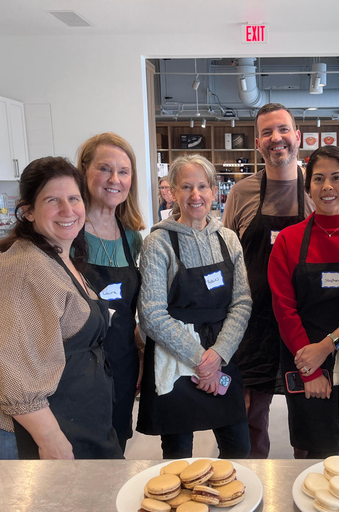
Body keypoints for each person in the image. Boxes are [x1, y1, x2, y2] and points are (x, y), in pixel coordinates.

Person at [0, 156, 122, 460]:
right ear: (29, 212)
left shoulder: (58, 256)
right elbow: (9, 365)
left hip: (73, 419)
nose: (68, 210)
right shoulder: (22, 268)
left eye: (74, 198)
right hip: (29, 437)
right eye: (53, 200)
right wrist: (49, 437)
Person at [136, 155, 252, 459]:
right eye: (186, 187)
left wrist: (218, 355)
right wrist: (201, 360)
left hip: (221, 353)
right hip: (174, 356)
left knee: (239, 447)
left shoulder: (228, 239)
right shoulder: (158, 242)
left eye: (202, 186)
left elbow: (242, 302)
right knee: (178, 455)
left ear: (214, 191)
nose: (195, 195)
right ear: (173, 192)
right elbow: (151, 314)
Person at [223, 103, 314, 458]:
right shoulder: (241, 193)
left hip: (304, 320)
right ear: (258, 144)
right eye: (267, 133)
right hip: (252, 321)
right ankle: (249, 480)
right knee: (250, 414)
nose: (276, 138)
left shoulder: (316, 190)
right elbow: (227, 254)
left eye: (283, 130)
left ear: (297, 136)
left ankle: (308, 487)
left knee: (307, 410)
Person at [269, 145, 339, 458]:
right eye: (318, 179)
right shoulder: (289, 239)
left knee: (337, 439)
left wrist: (327, 347)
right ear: (308, 187)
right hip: (300, 354)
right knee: (306, 441)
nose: (327, 186)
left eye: (336, 177)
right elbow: (283, 308)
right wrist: (310, 369)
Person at [76, 132, 146, 453]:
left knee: (117, 443)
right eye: (105, 169)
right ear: (84, 171)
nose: (115, 179)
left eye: (124, 171)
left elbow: (133, 310)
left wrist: (142, 354)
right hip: (77, 364)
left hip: (121, 360)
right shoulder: (69, 232)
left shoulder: (132, 237)